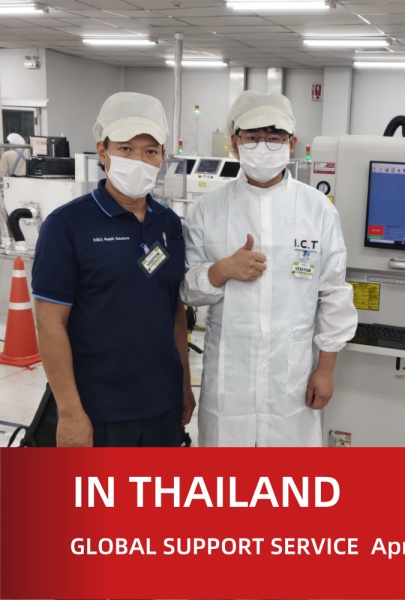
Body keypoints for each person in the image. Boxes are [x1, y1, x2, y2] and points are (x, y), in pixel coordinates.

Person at [181, 90, 357, 447]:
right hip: (230, 380)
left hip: (291, 379)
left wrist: (325, 369)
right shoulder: (208, 209)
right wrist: (221, 270)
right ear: (235, 143)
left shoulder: (317, 209)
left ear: (291, 143)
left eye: (274, 137)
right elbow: (186, 289)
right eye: (252, 137)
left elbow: (334, 293)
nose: (263, 145)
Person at [31, 92, 196, 447]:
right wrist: (70, 412)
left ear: (163, 156)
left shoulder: (167, 223)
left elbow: (174, 310)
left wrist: (183, 385)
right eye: (125, 149)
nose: (139, 160)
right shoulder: (67, 226)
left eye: (150, 151)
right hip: (99, 409)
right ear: (102, 151)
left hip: (163, 404)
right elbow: (49, 322)